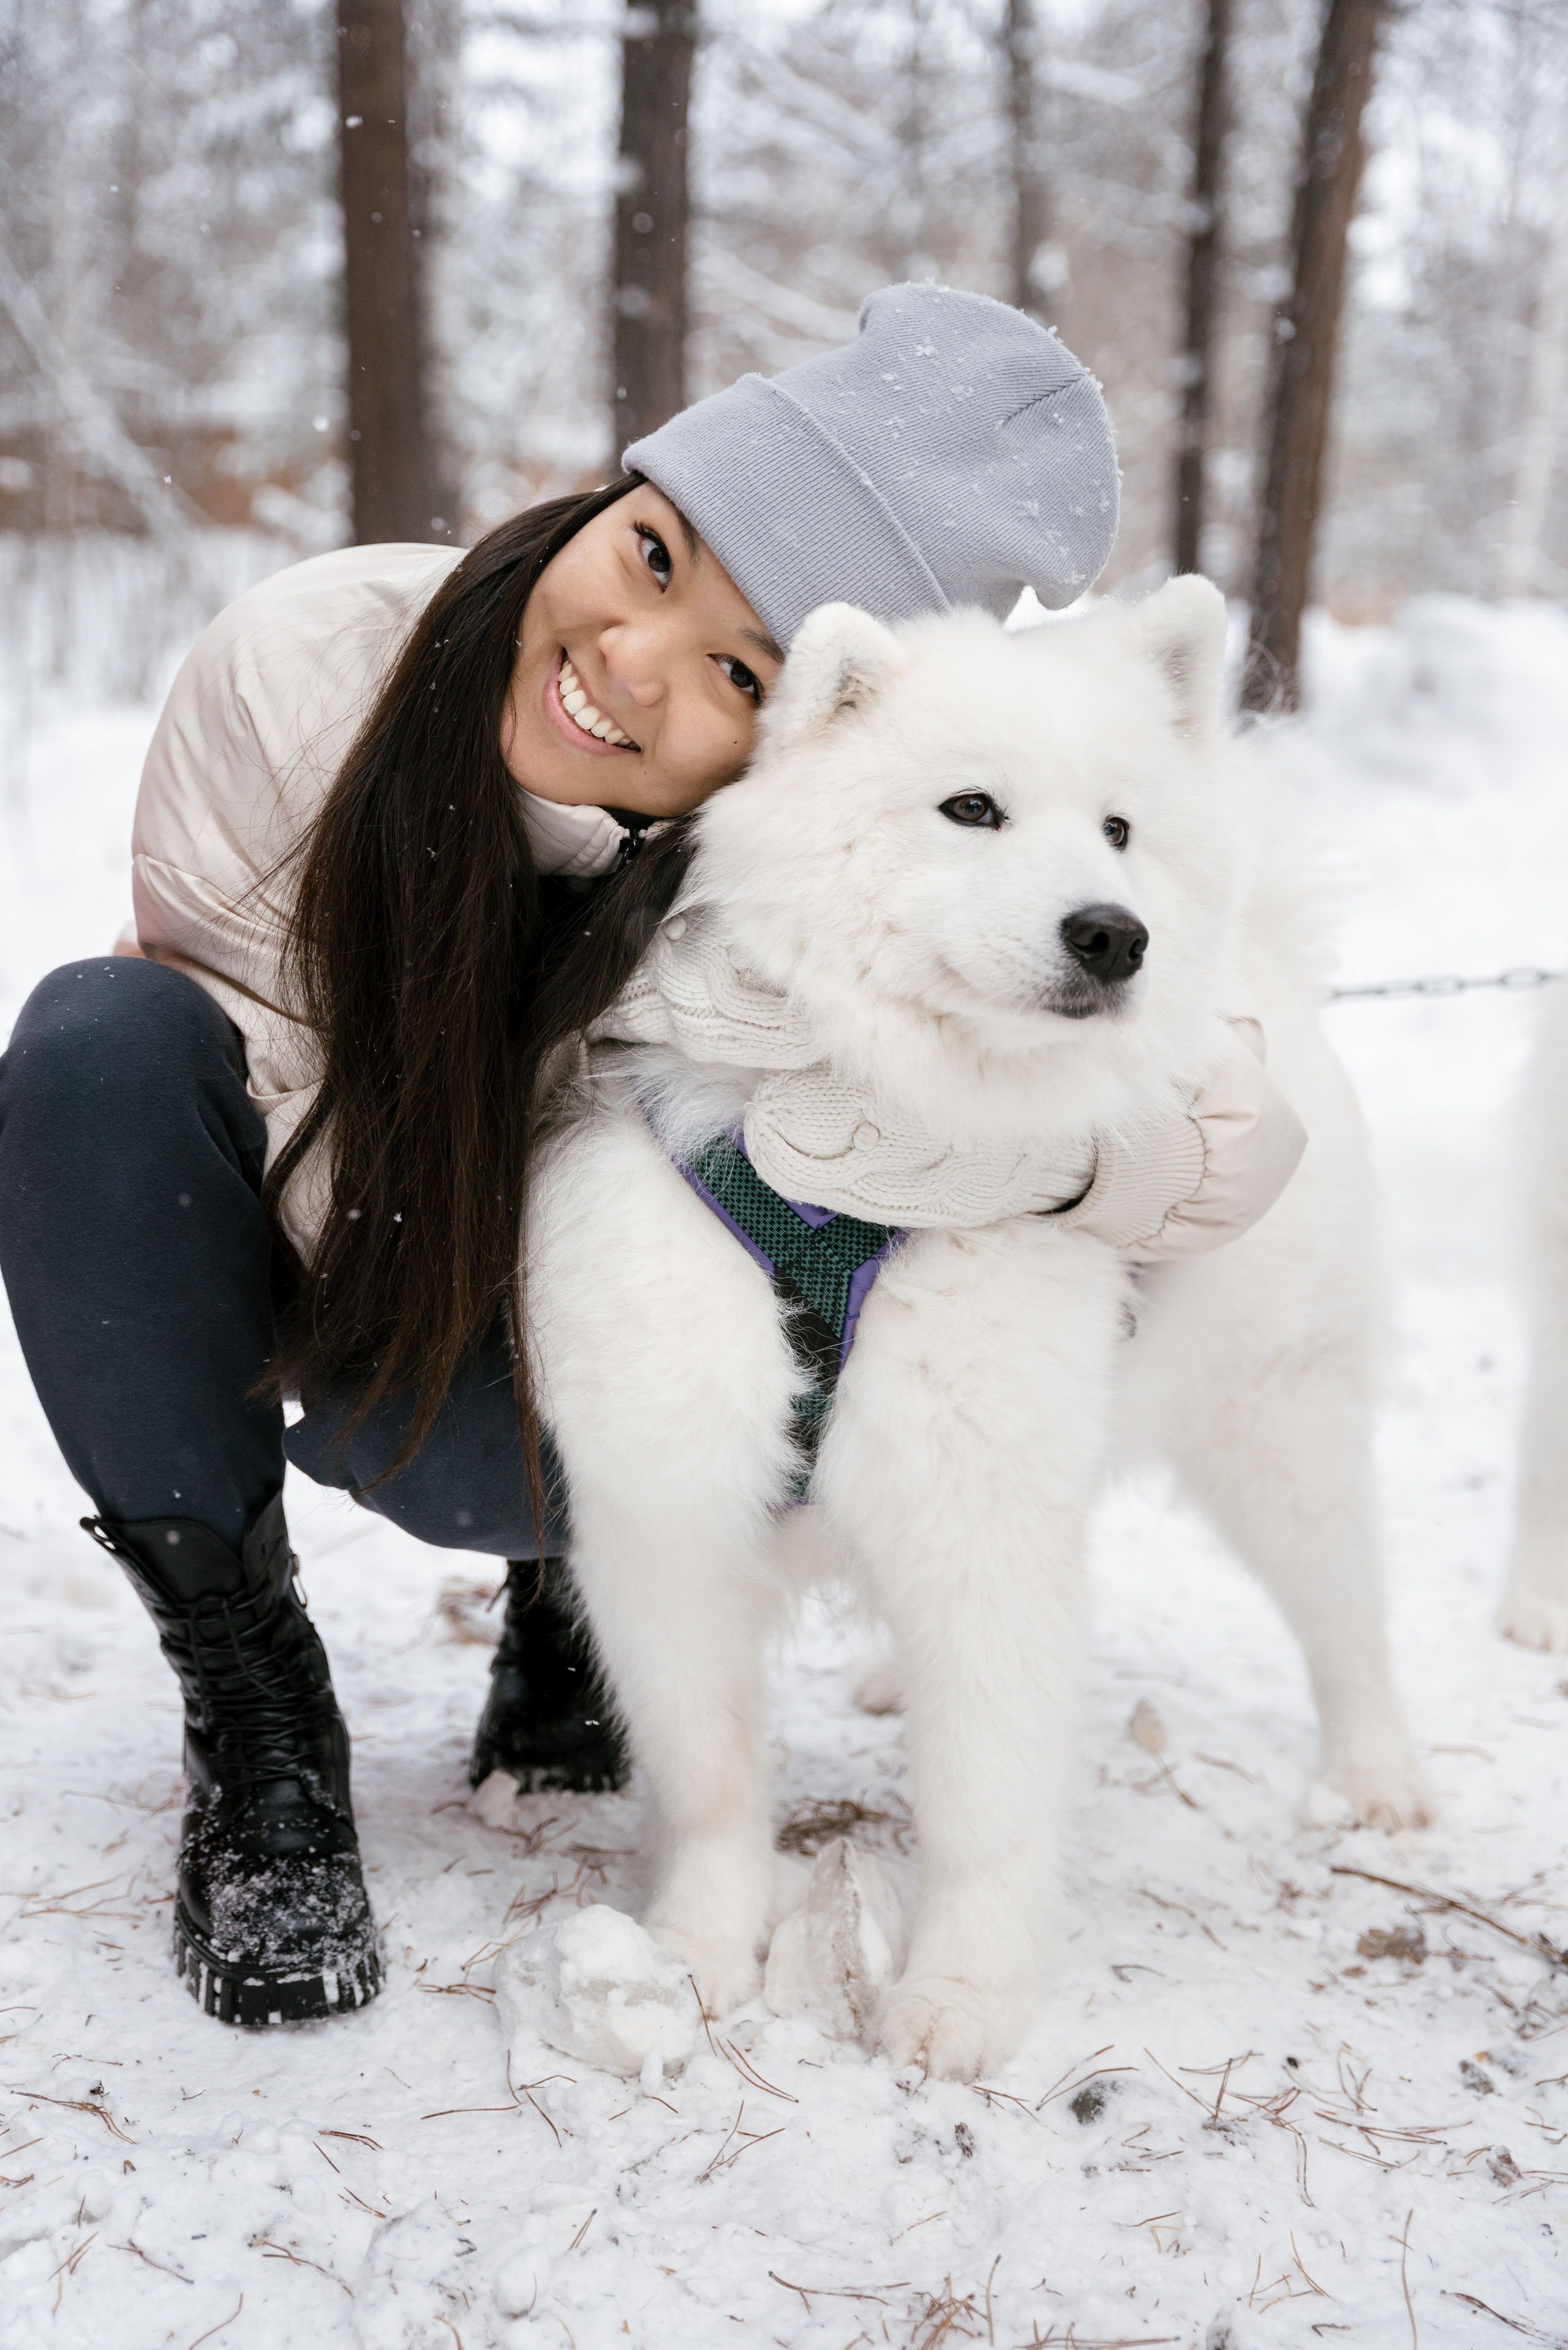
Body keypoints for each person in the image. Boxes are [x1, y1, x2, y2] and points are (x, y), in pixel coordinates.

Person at [0, 283, 1299, 2030]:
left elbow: (1225, 1121)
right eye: (653, 553)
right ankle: (256, 1710)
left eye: (739, 674)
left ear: (817, 726)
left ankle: (572, 1612)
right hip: (376, 1262)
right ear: (612, 492)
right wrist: (599, 1147)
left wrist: (1008, 1162)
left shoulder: (809, 850)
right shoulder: (305, 669)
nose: (630, 659)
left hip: (570, 1333)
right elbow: (277, 1113)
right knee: (99, 1047)